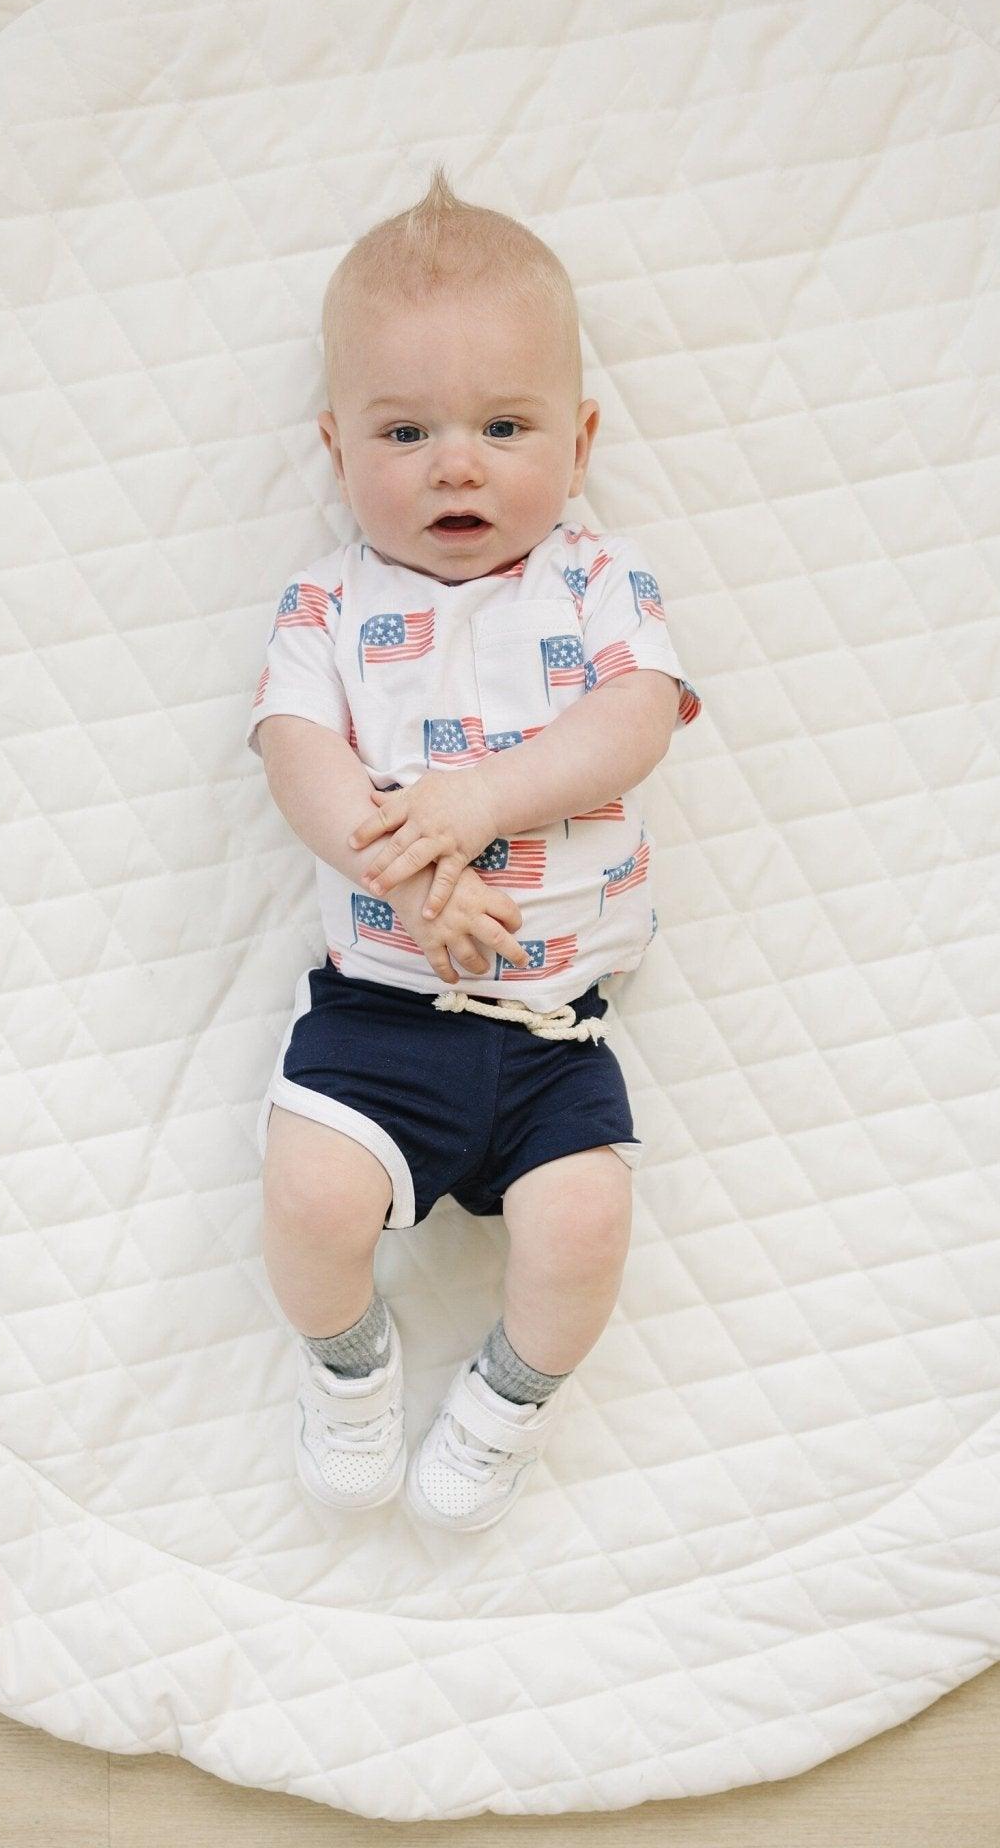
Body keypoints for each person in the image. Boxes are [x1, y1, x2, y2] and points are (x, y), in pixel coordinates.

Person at [246, 164, 702, 1532]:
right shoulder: (330, 602)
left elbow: (632, 721)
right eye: (405, 433)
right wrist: (405, 867)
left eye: (504, 424)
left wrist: (480, 804)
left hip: (554, 1035)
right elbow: (293, 753)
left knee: (583, 1231)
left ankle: (506, 1399)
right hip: (378, 1014)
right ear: (337, 452)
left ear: (579, 440)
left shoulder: (597, 579)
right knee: (309, 1199)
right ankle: (347, 1369)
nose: (456, 462)